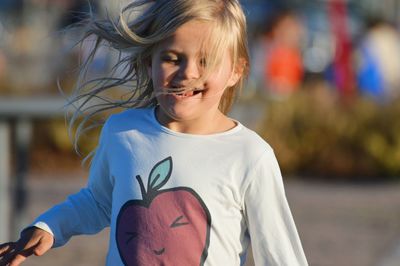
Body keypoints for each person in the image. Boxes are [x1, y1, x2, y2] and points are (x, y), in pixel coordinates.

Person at [0, 1, 308, 265]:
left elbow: (279, 253)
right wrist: (50, 226)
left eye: (206, 61)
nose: (188, 72)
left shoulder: (250, 155)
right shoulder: (123, 133)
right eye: (172, 58)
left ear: (236, 71)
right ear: (149, 62)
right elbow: (98, 202)